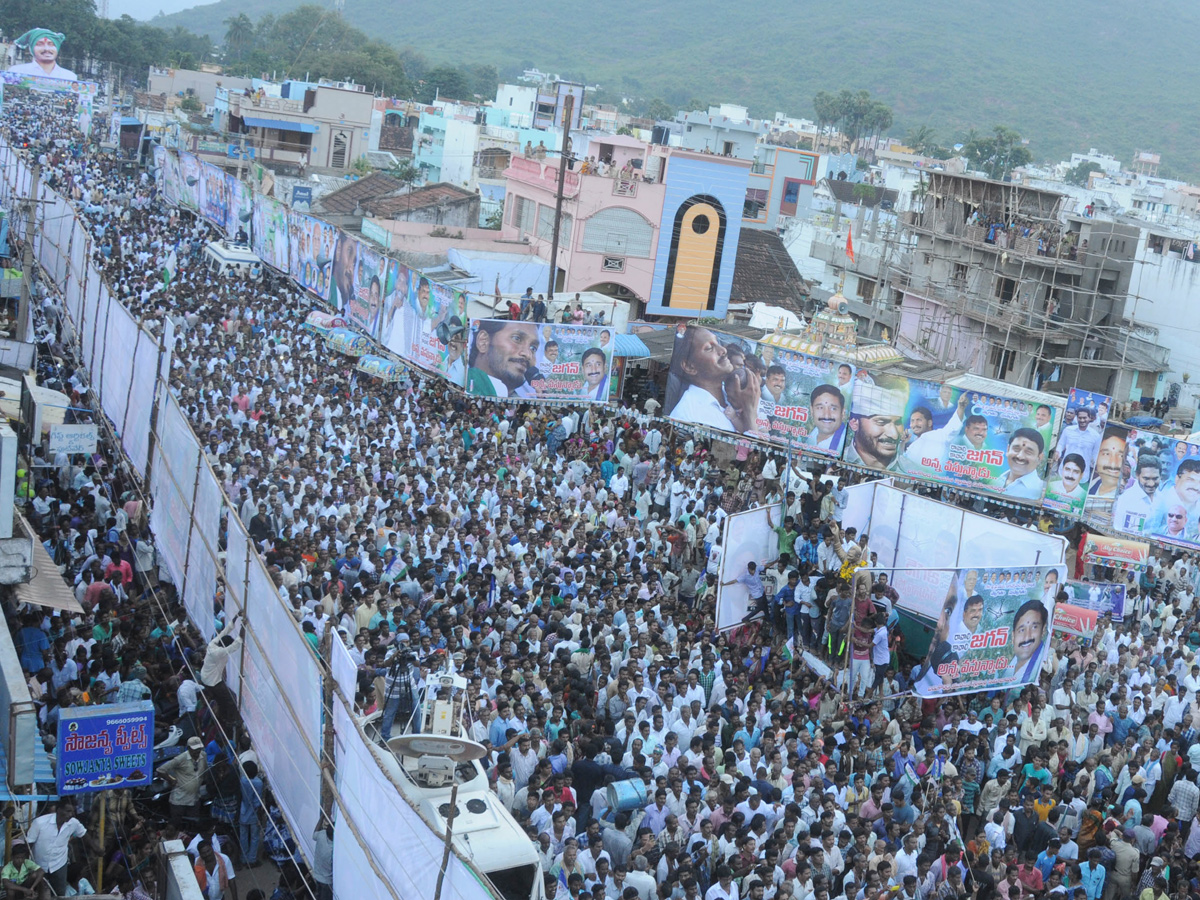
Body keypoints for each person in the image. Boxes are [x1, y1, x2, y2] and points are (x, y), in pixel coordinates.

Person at [665, 327, 760, 434]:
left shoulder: (735, 395)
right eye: (709, 348)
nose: (723, 350)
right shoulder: (688, 415)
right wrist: (750, 412)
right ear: (689, 367)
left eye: (718, 342)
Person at [25, 800, 86, 897]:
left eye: (72, 812)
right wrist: (28, 865)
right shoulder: (40, 822)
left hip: (59, 864)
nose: (70, 814)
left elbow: (83, 834)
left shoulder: (74, 823)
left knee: (59, 893)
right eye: (68, 811)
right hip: (38, 864)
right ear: (58, 810)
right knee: (37, 893)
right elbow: (29, 844)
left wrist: (97, 849)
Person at [465, 320, 539, 397]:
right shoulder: (461, 383)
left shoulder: (522, 405)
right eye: (517, 339)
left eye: (533, 348)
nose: (528, 354)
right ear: (483, 341)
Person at [990, 429, 1047, 500]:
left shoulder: (1041, 492)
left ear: (1039, 458)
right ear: (1008, 450)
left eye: (1028, 452)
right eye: (1016, 449)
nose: (1020, 456)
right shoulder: (994, 480)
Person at [8, 29, 76, 81]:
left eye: (51, 44)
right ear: (32, 49)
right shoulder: (16, 72)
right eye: (40, 44)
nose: (46, 49)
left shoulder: (69, 77)